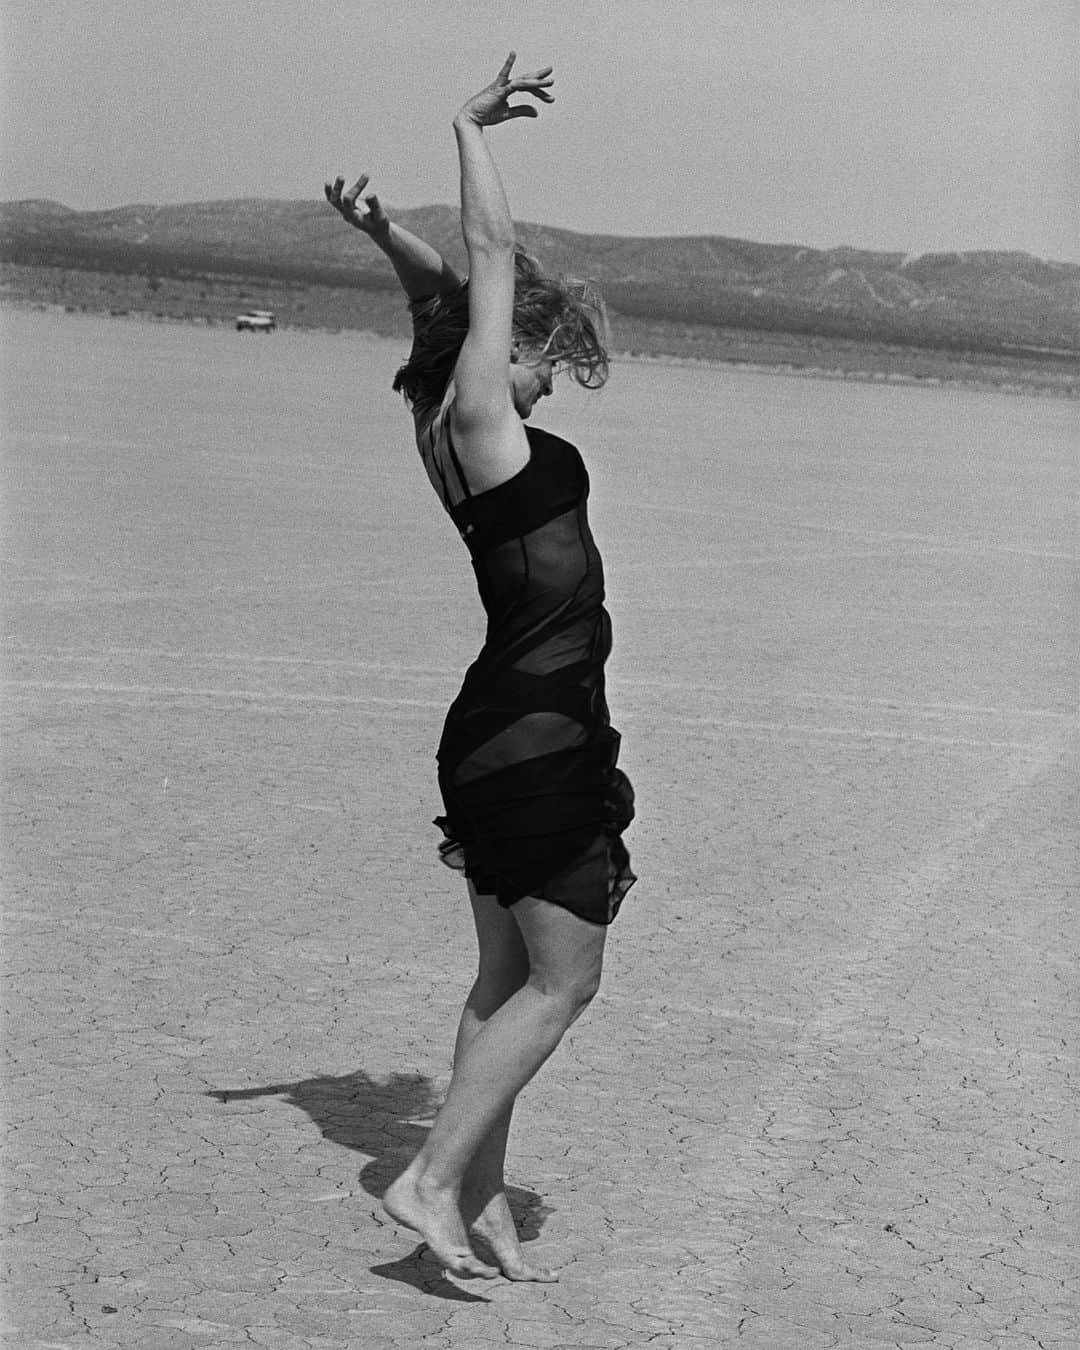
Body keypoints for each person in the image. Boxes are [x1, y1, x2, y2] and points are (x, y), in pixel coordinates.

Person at [325, 53, 635, 1282]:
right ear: (491, 365)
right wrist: (462, 126)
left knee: (505, 972)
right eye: (536, 356)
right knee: (570, 980)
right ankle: (429, 1176)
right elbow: (492, 264)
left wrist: (383, 234)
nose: (547, 372)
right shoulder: (484, 426)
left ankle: (481, 1198)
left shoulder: (443, 425)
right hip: (535, 729)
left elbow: (447, 301)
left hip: (506, 722)